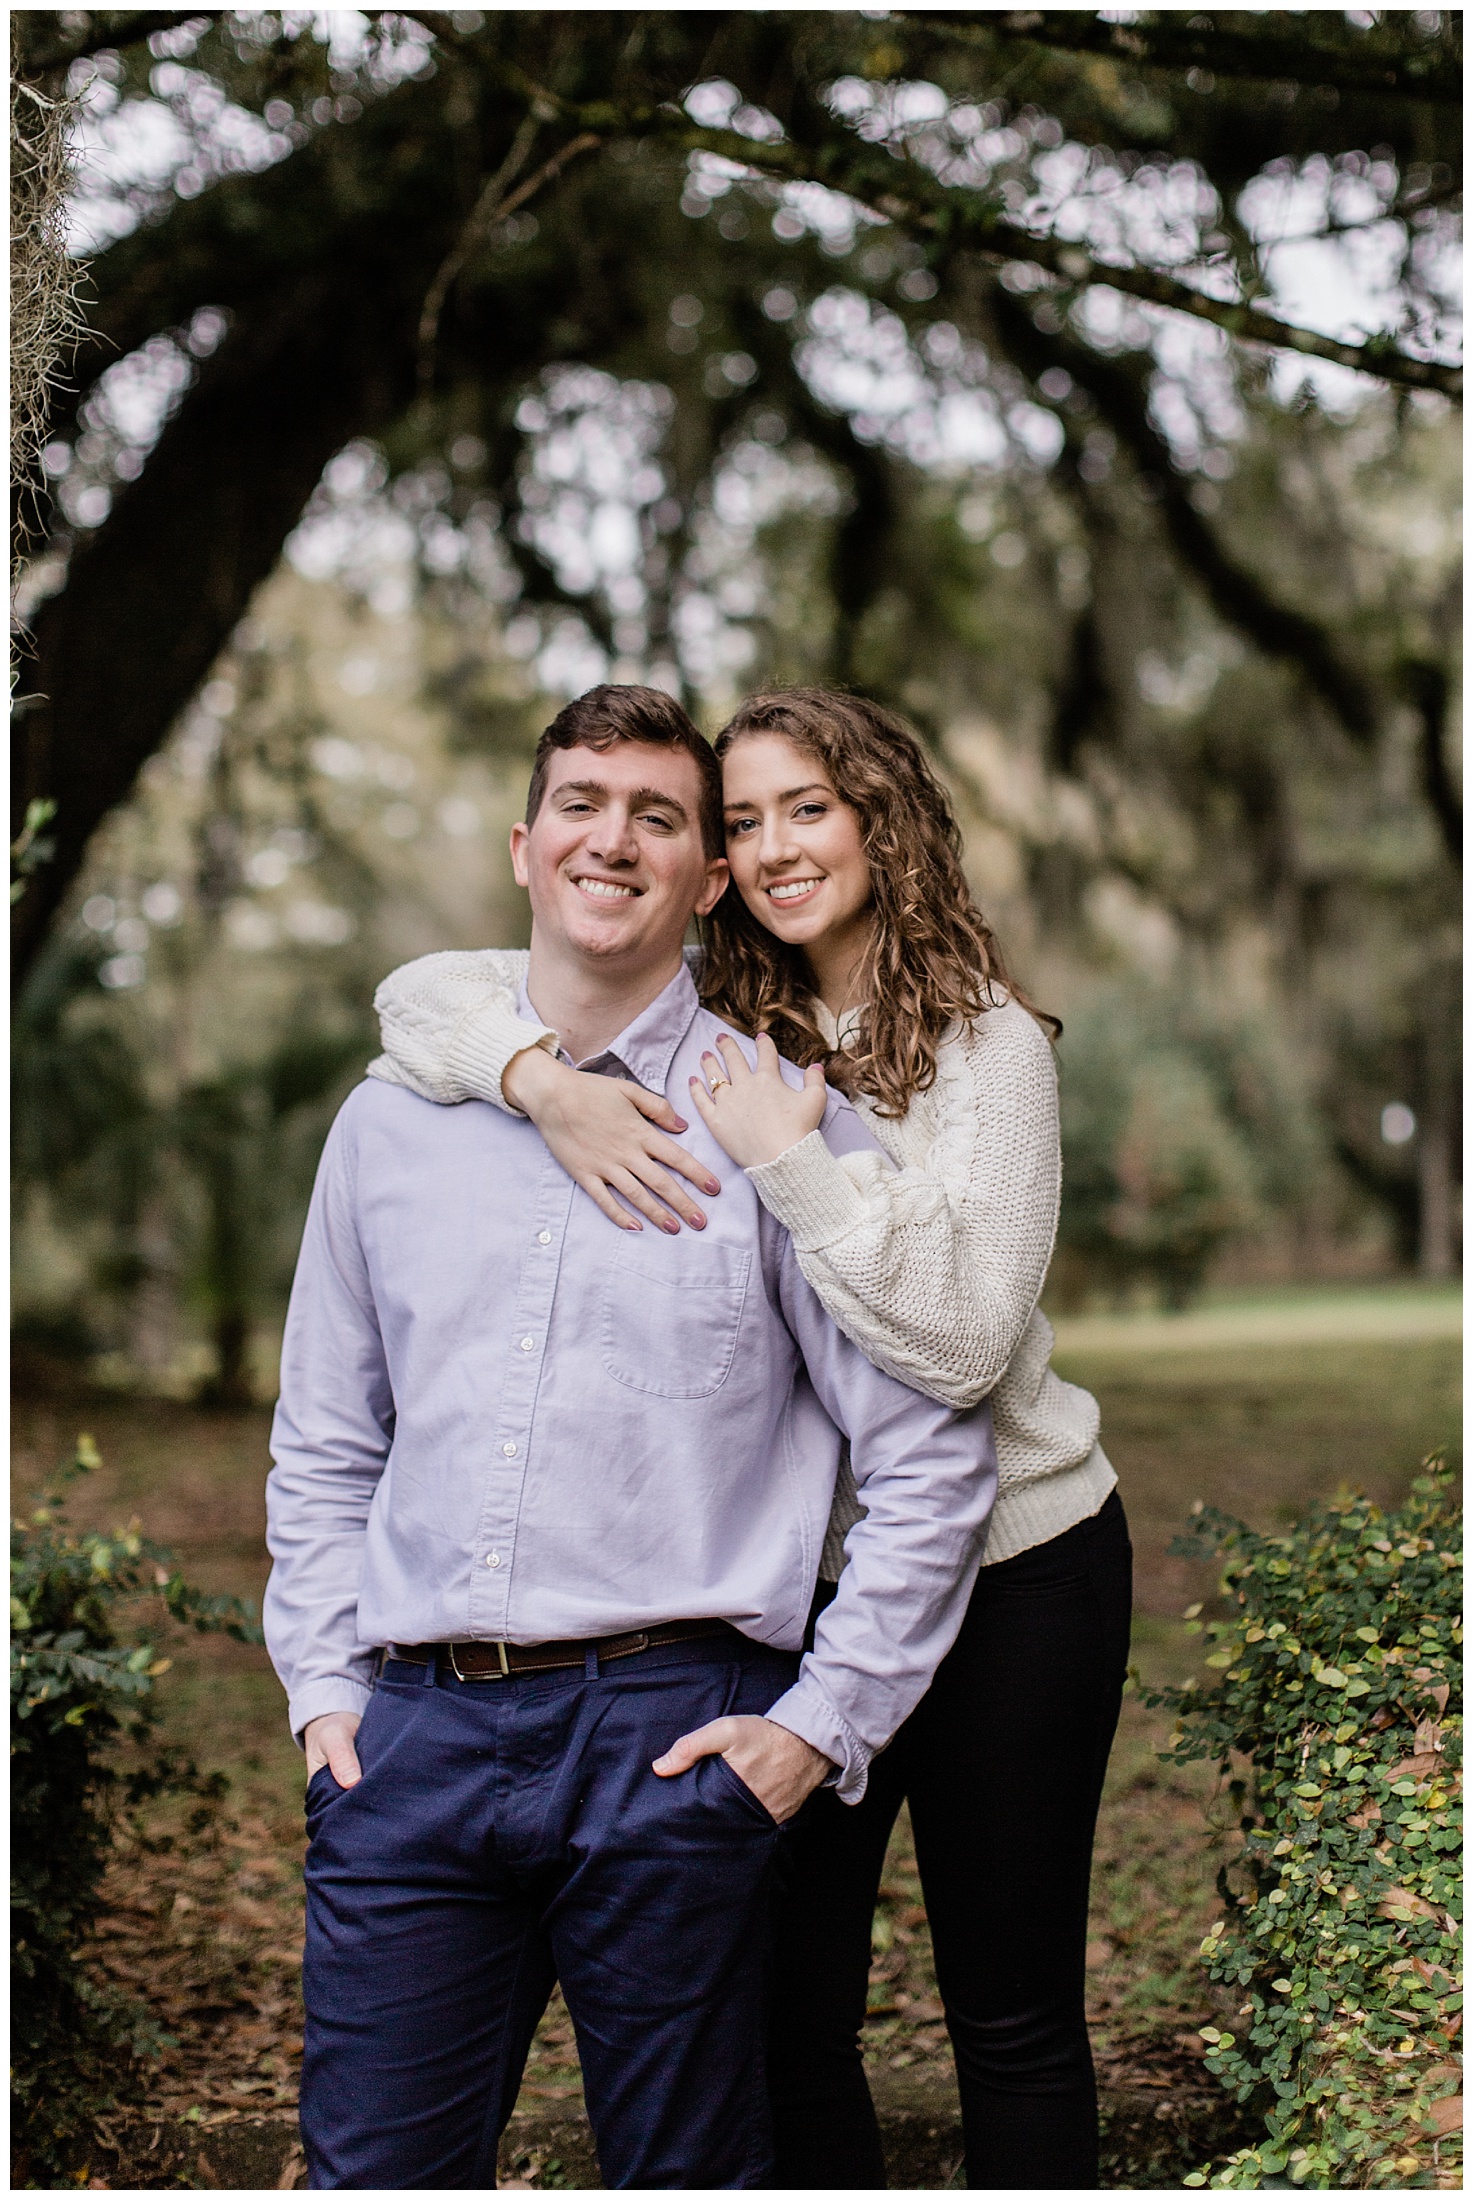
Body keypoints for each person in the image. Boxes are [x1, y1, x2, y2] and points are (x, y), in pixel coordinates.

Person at [373, 685, 1134, 2190]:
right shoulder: (718, 1022)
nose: (777, 846)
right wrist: (539, 1083)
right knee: (788, 2014)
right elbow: (418, 999)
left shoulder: (987, 1053)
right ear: (712, 864)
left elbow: (967, 1349)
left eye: (810, 808)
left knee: (1010, 2011)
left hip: (1014, 1572)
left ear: (879, 822)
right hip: (788, 1597)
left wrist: (796, 1164)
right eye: (743, 820)